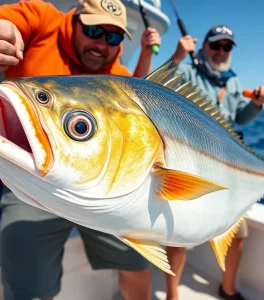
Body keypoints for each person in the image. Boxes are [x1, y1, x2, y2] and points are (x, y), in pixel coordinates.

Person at [0, 0, 161, 300]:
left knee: (139, 262)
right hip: (30, 182)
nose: (101, 43)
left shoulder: (118, 74)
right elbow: (7, 25)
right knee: (25, 280)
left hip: (104, 189)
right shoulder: (41, 19)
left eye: (112, 37)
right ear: (74, 19)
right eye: (94, 30)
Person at [165, 25, 264, 300]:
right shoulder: (187, 71)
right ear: (203, 45)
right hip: (193, 162)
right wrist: (177, 56)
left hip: (229, 169)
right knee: (178, 236)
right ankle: (171, 295)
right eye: (216, 45)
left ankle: (227, 289)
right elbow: (159, 86)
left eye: (227, 47)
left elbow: (240, 117)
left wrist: (258, 104)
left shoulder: (233, 81)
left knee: (237, 234)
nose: (221, 52)